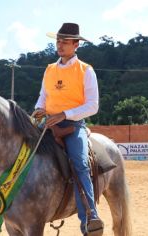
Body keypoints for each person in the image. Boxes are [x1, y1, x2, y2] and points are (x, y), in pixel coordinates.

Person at [32, 23, 103, 235]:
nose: (60, 45)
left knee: (80, 164)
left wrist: (64, 115)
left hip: (73, 126)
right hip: (47, 123)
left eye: (65, 42)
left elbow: (93, 106)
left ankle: (90, 216)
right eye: (58, 41)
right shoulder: (50, 69)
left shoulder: (86, 70)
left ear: (76, 45)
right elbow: (43, 97)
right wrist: (38, 111)